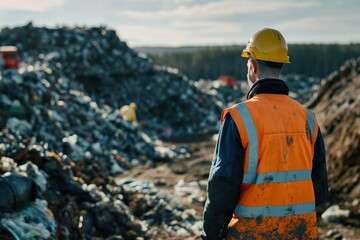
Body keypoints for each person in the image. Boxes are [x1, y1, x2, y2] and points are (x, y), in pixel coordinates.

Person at [202, 28, 328, 239]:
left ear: (252, 66)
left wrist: (212, 234)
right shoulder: (307, 118)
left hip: (252, 232)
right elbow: (320, 190)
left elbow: (222, 187)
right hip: (300, 231)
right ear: (281, 65)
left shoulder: (239, 117)